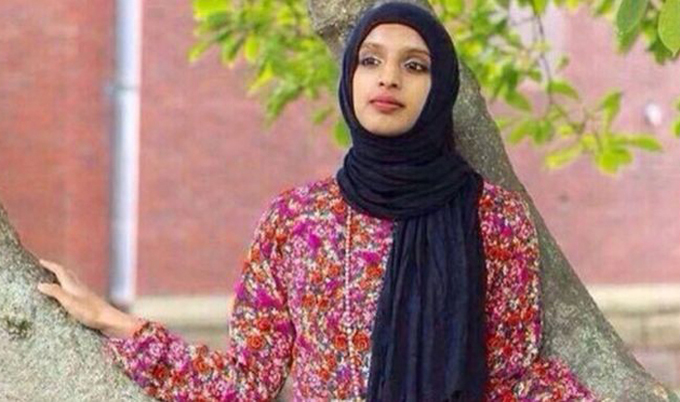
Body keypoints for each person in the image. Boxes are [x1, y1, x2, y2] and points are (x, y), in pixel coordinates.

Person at [36, 2, 599, 401]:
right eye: (370, 60)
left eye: (415, 65)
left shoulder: (492, 217)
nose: (389, 78)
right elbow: (247, 382)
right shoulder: (297, 219)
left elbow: (508, 382)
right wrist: (113, 321)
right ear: (349, 80)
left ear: (441, 87)